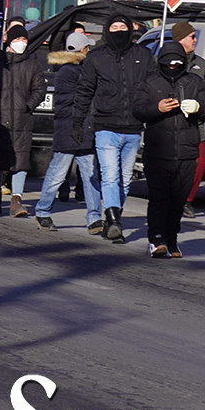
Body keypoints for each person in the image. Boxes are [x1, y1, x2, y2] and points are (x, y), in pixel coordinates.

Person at [71, 13, 153, 243]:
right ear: (108, 30)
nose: (119, 30)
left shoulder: (143, 55)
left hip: (133, 127)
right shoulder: (96, 58)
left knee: (125, 180)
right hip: (105, 126)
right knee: (109, 176)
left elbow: (153, 87)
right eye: (114, 27)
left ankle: (111, 219)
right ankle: (115, 219)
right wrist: (77, 122)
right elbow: (84, 91)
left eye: (122, 26)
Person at [133, 41, 205, 258]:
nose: (172, 67)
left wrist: (199, 107)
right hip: (158, 151)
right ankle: (157, 239)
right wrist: (156, 108)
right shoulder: (150, 83)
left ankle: (172, 238)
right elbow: (138, 110)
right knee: (160, 197)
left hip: (187, 151)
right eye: (167, 63)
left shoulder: (194, 82)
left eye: (176, 63)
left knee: (178, 199)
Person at [34, 32, 102, 232]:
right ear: (83, 50)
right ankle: (42, 211)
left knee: (90, 175)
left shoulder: (71, 70)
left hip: (81, 129)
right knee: (58, 173)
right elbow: (80, 100)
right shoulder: (71, 72)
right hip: (70, 129)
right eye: (87, 48)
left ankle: (95, 218)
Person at [0, 24, 46, 218]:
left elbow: (39, 90)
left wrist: (28, 105)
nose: (22, 43)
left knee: (20, 160)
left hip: (22, 120)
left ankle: (16, 199)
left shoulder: (32, 64)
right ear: (9, 42)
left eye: (24, 40)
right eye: (18, 40)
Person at [172, 21, 205, 218]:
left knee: (201, 161)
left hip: (195, 122)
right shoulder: (164, 60)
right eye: (192, 37)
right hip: (171, 121)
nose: (196, 40)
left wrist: (199, 105)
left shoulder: (201, 64)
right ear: (180, 39)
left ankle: (187, 200)